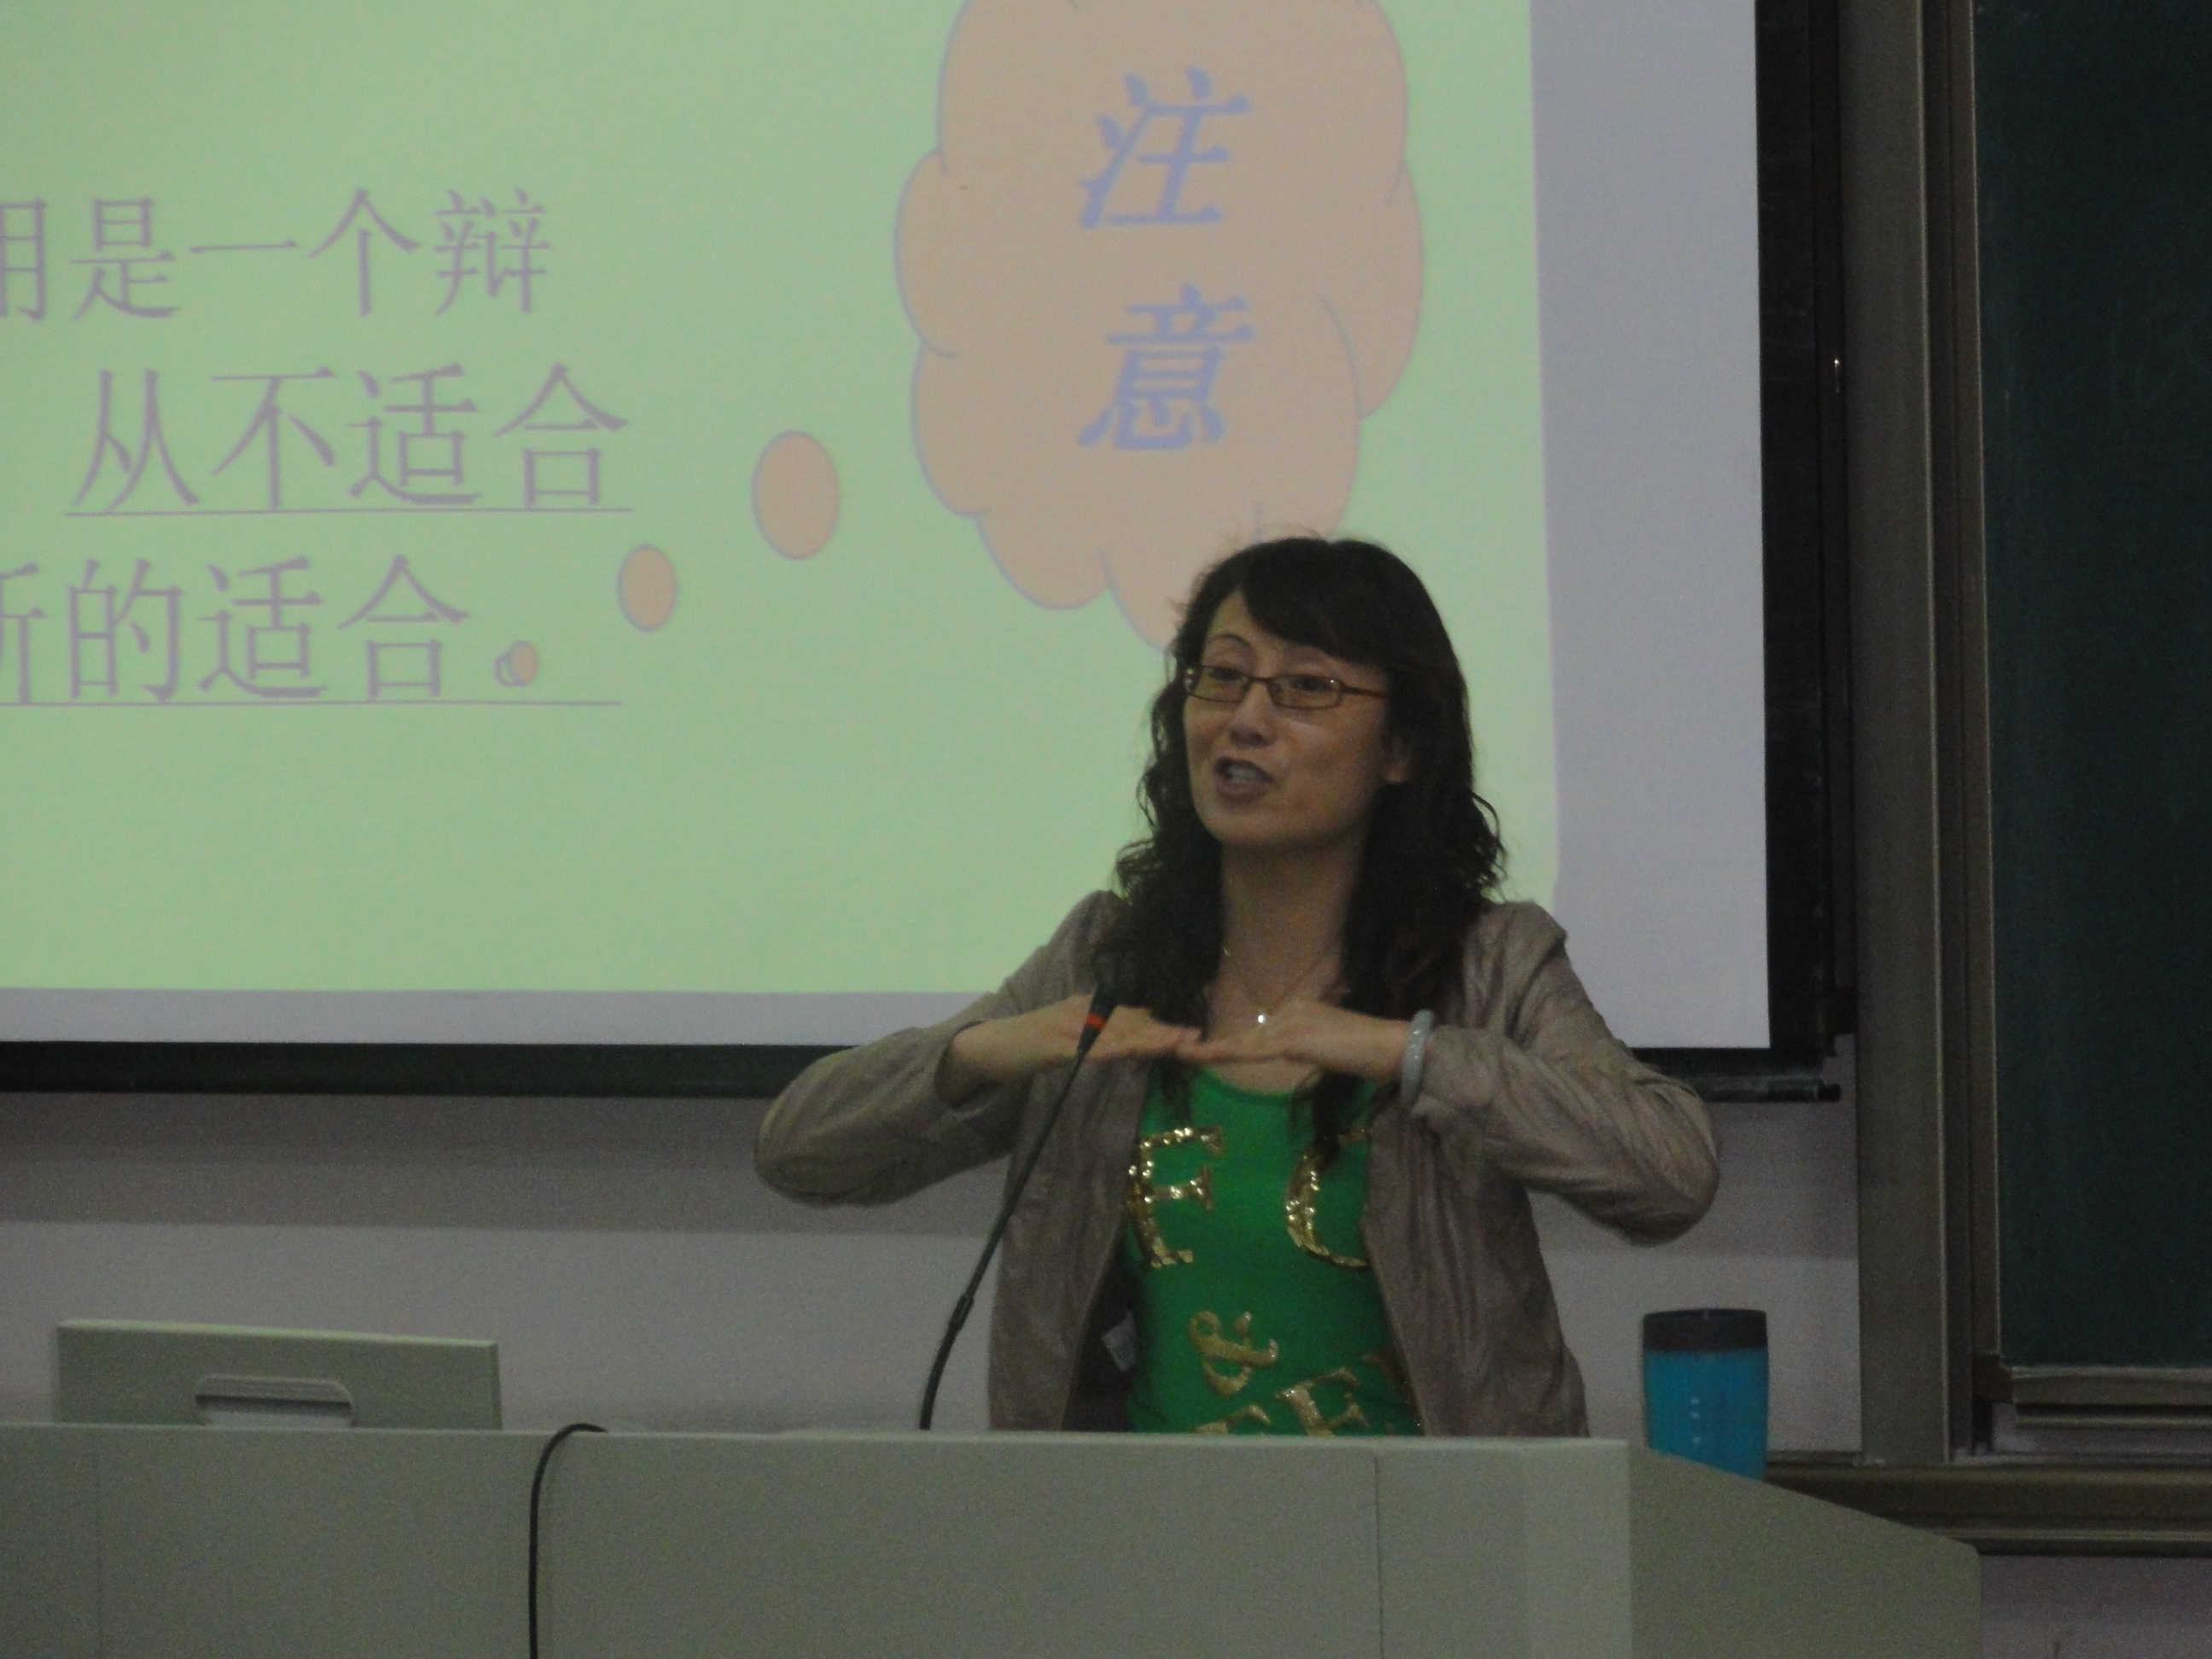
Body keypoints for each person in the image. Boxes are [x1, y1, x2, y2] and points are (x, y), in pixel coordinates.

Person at [756, 536, 1716, 1435]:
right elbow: (800, 1154)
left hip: (1433, 1531)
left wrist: (1412, 1055)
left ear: (1401, 749)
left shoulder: (1490, 967)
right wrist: (980, 1053)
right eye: (1221, 677)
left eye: (1306, 688)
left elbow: (1671, 1173)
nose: (1245, 719)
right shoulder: (1108, 959)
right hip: (1145, 1529)